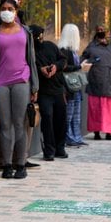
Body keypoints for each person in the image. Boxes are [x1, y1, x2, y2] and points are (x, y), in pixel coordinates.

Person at [0, 0, 39, 169]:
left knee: (19, 123)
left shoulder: (26, 31)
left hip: (22, 80)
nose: (7, 12)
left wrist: (34, 86)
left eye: (10, 9)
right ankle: (7, 164)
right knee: (5, 124)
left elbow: (31, 59)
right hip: (1, 82)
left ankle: (20, 163)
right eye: (3, 9)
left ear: (16, 10)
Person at [32, 24, 69, 160]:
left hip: (58, 89)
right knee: (47, 118)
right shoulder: (30, 51)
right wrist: (40, 69)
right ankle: (49, 150)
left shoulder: (50, 45)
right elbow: (29, 67)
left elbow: (63, 59)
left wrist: (55, 67)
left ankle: (60, 148)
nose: (40, 38)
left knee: (61, 120)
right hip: (43, 91)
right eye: (37, 35)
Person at [58, 23, 89, 146]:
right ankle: (69, 137)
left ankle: (76, 137)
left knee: (76, 115)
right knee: (69, 115)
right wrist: (80, 66)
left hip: (74, 87)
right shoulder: (65, 51)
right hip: (69, 87)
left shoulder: (73, 51)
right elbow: (65, 68)